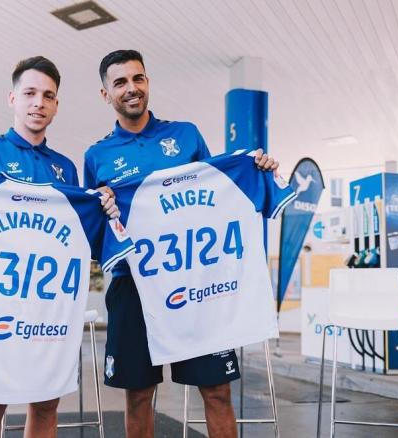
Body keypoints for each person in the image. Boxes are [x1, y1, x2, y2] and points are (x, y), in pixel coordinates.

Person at [83, 49, 279, 438]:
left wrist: (256, 170)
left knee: (217, 391)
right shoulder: (96, 155)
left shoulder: (185, 135)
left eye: (138, 78)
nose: (132, 88)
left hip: (196, 283)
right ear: (106, 94)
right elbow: (94, 236)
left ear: (148, 83)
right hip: (133, 285)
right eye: (120, 82)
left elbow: (219, 193)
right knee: (138, 396)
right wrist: (103, 208)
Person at [0, 56, 117, 438]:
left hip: (48, 311)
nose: (38, 103)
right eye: (30, 93)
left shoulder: (65, 168)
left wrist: (105, 207)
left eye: (48, 96)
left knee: (47, 403)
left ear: (56, 105)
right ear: (12, 98)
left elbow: (81, 233)